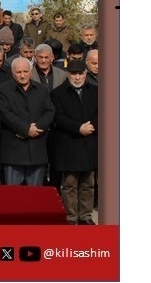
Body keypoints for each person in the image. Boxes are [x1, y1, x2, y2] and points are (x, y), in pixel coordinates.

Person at [50, 61, 99, 225]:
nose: (77, 77)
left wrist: (92, 126)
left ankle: (85, 216)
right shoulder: (58, 93)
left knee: (88, 183)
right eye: (73, 74)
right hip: (69, 144)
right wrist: (78, 128)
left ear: (85, 73)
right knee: (69, 184)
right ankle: (71, 217)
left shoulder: (96, 91)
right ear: (68, 74)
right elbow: (58, 117)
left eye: (80, 74)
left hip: (89, 143)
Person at [0, 57, 56, 186]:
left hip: (37, 149)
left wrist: (37, 128)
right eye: (18, 72)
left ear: (31, 71)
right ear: (12, 73)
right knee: (13, 197)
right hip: (14, 152)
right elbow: (5, 114)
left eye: (25, 71)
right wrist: (26, 129)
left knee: (34, 198)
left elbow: (49, 112)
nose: (22, 75)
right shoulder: (2, 90)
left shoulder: (42, 90)